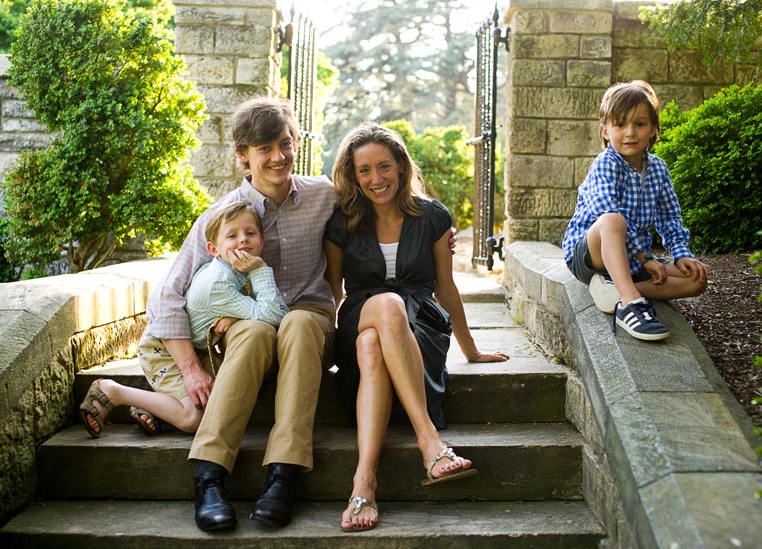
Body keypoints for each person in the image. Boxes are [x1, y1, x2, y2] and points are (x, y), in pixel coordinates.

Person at [143, 97, 338, 532]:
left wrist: (433, 230)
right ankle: (210, 475)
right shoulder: (220, 220)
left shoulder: (324, 195)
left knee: (300, 321)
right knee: (251, 331)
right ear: (242, 156)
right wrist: (191, 371)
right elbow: (168, 295)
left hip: (308, 323)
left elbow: (379, 200)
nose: (278, 157)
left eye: (284, 144)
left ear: (297, 142)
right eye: (264, 148)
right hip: (249, 333)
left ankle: (283, 474)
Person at [323, 123, 509, 532]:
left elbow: (446, 287)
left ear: (402, 167)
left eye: (385, 167)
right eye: (365, 171)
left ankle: (364, 481)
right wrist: (321, 352)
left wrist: (471, 349)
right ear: (353, 176)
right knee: (379, 316)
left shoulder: (432, 216)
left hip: (420, 326)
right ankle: (430, 442)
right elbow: (334, 294)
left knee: (373, 344)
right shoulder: (343, 222)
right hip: (361, 315)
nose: (376, 179)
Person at [79, 200, 289, 440]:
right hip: (164, 351)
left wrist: (237, 314)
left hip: (202, 349)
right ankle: (114, 392)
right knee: (195, 418)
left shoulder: (237, 270)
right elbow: (273, 315)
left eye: (250, 233)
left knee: (242, 377)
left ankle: (159, 406)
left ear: (261, 241)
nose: (243, 239)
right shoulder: (219, 283)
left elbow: (278, 312)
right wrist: (261, 270)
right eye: (232, 235)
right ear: (213, 249)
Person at [561, 80, 709, 341]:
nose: (630, 132)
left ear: (653, 130)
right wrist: (644, 259)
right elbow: (608, 218)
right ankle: (630, 302)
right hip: (590, 255)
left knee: (696, 279)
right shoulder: (606, 164)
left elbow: (670, 218)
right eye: (620, 124)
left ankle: (615, 290)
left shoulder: (658, 169)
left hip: (631, 259)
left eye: (639, 124)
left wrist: (681, 255)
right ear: (605, 130)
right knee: (613, 220)